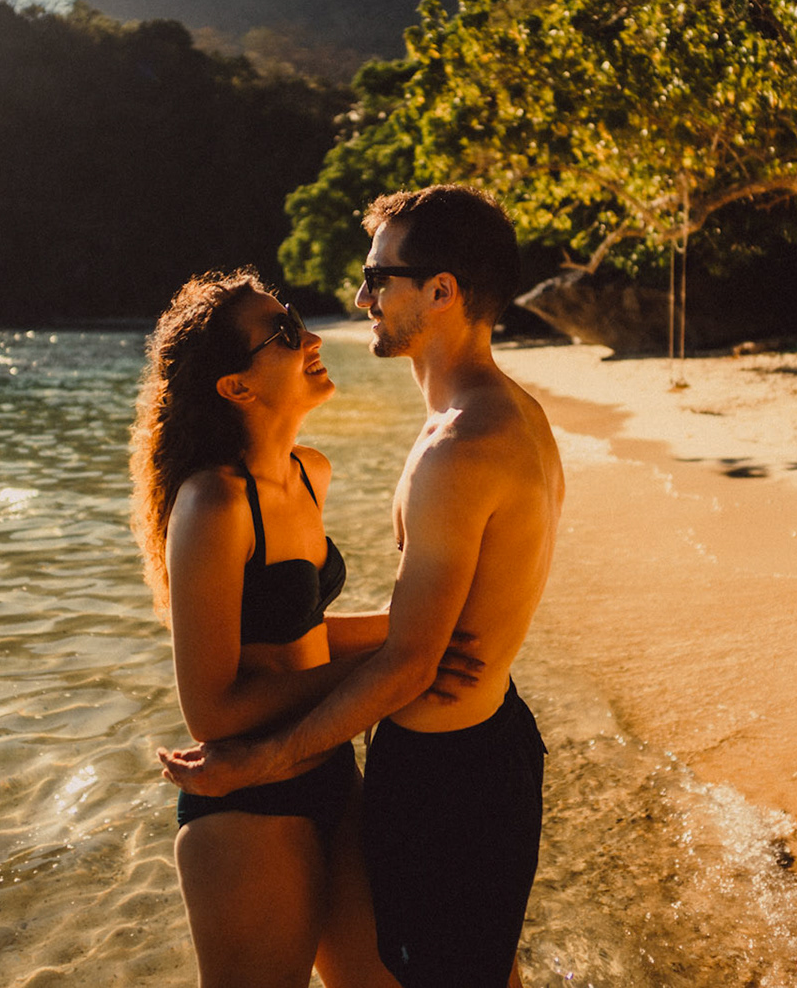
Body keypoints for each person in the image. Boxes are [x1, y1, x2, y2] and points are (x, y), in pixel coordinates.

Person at [161, 186, 564, 988]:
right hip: (459, 753)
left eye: (379, 277)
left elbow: (415, 662)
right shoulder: (486, 419)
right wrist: (408, 645)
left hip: (450, 776)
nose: (359, 299)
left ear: (441, 291)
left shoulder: (460, 445)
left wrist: (268, 756)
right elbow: (404, 643)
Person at [133, 267, 443, 988]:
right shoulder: (212, 504)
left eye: (295, 318)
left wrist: (422, 629)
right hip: (246, 806)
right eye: (280, 334)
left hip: (333, 768)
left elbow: (303, 638)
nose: (308, 337)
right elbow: (210, 709)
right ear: (236, 387)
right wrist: (396, 660)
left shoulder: (311, 472)